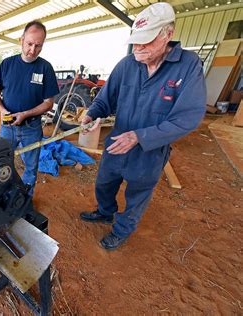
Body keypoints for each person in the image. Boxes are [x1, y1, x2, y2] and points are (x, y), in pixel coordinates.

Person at [79, 3, 206, 250]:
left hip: (149, 150)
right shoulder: (127, 65)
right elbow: (106, 98)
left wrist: (140, 136)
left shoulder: (188, 66)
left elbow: (187, 117)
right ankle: (105, 212)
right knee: (104, 183)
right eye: (136, 41)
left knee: (137, 195)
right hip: (117, 144)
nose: (138, 47)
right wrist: (91, 113)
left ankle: (122, 229)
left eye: (146, 41)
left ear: (167, 34)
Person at [0, 20, 59, 195]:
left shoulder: (45, 68)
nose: (32, 50)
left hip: (32, 128)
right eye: (29, 44)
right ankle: (2, 197)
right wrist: (1, 109)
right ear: (21, 39)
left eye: (38, 46)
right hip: (7, 126)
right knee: (1, 163)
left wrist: (25, 114)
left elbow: (48, 103)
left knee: (31, 167)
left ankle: (25, 200)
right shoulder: (7, 64)